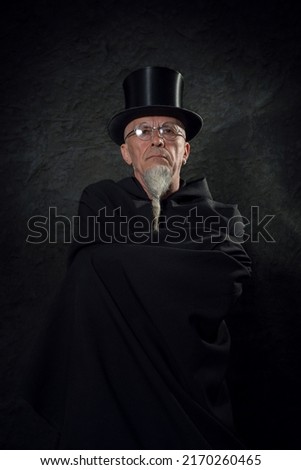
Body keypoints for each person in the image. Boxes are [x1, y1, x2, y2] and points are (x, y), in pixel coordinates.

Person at [21, 66, 251, 450]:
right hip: (108, 397)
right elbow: (88, 273)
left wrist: (120, 262)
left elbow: (224, 278)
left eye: (170, 131)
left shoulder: (224, 217)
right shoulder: (100, 199)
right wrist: (182, 258)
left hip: (193, 405)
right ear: (126, 152)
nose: (157, 140)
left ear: (186, 150)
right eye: (143, 131)